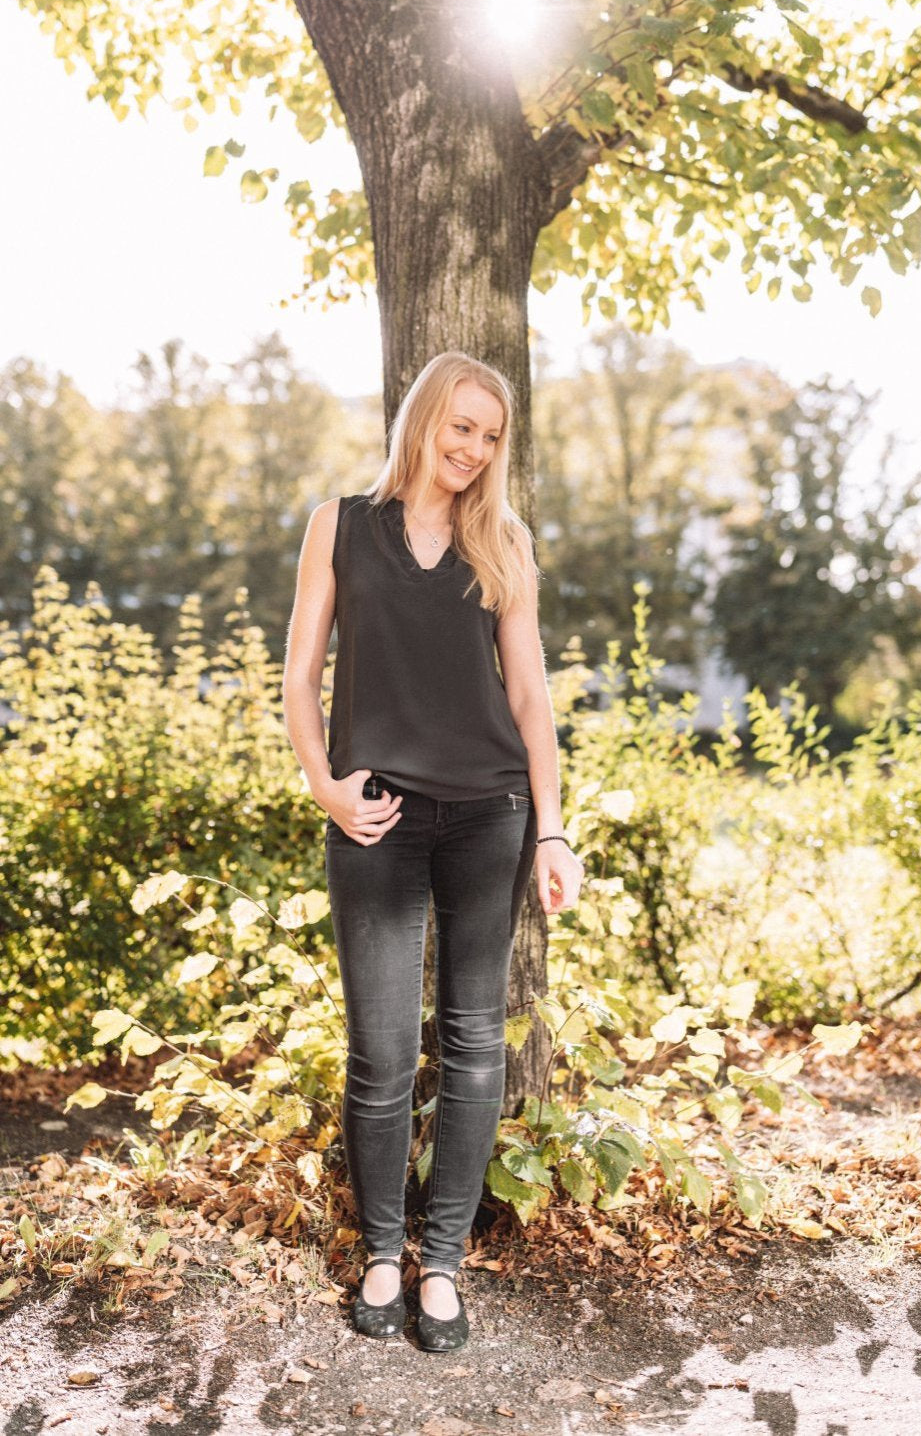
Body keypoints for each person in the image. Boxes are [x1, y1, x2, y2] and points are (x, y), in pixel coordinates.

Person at [282, 350, 585, 1353]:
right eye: (460, 426)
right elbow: (299, 671)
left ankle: (442, 1262)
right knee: (379, 1051)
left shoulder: (502, 540)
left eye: (491, 435)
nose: (473, 449)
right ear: (422, 420)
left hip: (487, 815)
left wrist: (549, 824)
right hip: (374, 817)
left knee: (471, 1044)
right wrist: (324, 783)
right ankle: (379, 1251)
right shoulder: (340, 524)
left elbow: (531, 696)